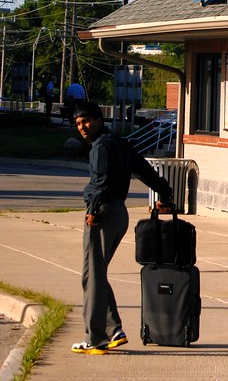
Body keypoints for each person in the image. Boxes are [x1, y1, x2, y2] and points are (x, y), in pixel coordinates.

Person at [72, 101, 174, 354]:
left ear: (98, 119)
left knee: (92, 277)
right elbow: (146, 171)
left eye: (86, 121)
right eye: (78, 123)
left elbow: (101, 181)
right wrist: (165, 194)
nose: (82, 127)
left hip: (103, 214)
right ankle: (113, 329)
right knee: (95, 275)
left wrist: (93, 210)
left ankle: (96, 339)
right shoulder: (120, 143)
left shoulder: (100, 146)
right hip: (119, 214)